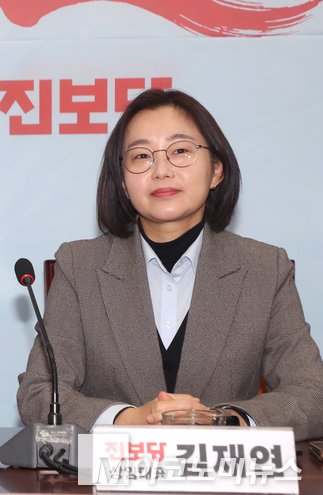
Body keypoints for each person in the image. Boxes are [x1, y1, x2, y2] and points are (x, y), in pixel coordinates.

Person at [16, 89, 323, 440]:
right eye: (141, 156)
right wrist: (129, 419)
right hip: (114, 474)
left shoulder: (265, 269)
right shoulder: (80, 266)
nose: (161, 170)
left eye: (180, 151)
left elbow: (313, 393)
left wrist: (223, 421)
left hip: (222, 473)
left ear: (216, 170)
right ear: (123, 182)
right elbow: (38, 394)